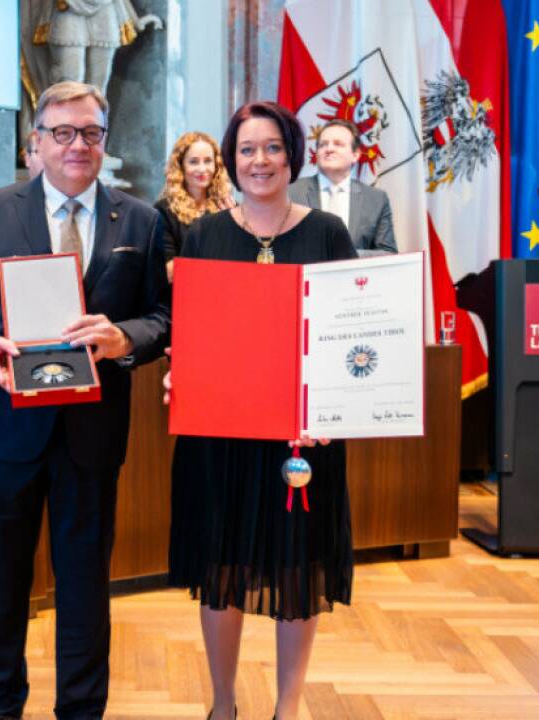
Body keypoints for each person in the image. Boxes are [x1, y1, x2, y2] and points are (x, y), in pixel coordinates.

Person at [0, 81, 170, 720]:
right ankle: (0, 707)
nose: (76, 145)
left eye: (89, 132)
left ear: (104, 141)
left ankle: (82, 710)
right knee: (1, 584)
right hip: (6, 431)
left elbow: (164, 318)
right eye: (61, 133)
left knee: (87, 586)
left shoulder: (141, 220)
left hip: (91, 438)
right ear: (35, 143)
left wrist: (125, 337)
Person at [164, 102, 356, 720]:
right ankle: (223, 705)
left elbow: (349, 333)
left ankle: (288, 707)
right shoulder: (204, 236)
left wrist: (338, 408)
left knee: (297, 568)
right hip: (221, 436)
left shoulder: (328, 233)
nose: (259, 161)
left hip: (303, 441)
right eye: (246, 150)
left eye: (272, 148)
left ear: (292, 154)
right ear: (231, 159)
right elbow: (191, 334)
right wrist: (180, 375)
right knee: (222, 567)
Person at [289, 119, 397, 257]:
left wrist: (347, 254)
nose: (329, 149)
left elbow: (388, 253)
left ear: (355, 154)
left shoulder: (376, 199)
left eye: (338, 144)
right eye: (323, 145)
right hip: (305, 277)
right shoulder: (291, 193)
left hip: (356, 277)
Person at [155, 131, 235, 281]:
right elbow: (168, 272)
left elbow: (242, 261)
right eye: (193, 162)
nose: (202, 169)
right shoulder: (163, 210)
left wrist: (233, 228)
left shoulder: (228, 207)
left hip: (223, 290)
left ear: (216, 165)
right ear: (181, 166)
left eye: (208, 161)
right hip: (182, 296)